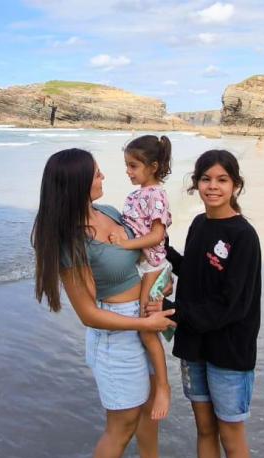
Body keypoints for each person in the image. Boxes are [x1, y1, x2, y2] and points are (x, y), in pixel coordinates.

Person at [32, 148, 179, 458]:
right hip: (117, 335)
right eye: (96, 175)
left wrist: (158, 298)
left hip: (142, 319)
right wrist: (142, 322)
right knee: (122, 425)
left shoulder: (112, 213)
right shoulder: (72, 240)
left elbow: (152, 250)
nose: (104, 179)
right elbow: (89, 314)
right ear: (77, 183)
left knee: (149, 408)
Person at [151, 149, 262, 458]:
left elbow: (233, 305)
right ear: (195, 183)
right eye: (205, 179)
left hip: (229, 351)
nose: (212, 187)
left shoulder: (243, 237)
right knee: (203, 429)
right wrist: (159, 247)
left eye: (221, 180)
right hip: (195, 345)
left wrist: (173, 313)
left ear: (235, 185)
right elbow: (192, 272)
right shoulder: (198, 225)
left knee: (231, 438)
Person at [107, 135, 174, 420]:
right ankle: (148, 377)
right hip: (141, 265)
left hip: (152, 266)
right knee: (143, 325)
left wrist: (124, 245)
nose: (128, 171)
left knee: (147, 326)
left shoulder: (156, 195)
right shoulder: (134, 196)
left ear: (154, 166)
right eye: (127, 165)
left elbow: (158, 235)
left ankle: (162, 386)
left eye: (134, 166)